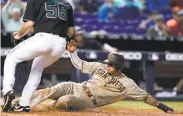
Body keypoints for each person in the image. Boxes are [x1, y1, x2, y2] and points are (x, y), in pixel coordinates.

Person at [24, 40, 173, 113]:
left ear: (118, 67)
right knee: (52, 90)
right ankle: (18, 103)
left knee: (64, 101)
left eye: (111, 65)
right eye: (108, 63)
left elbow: (146, 97)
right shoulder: (100, 66)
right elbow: (79, 64)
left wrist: (162, 107)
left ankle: (42, 108)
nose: (108, 66)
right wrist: (72, 52)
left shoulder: (128, 84)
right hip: (76, 87)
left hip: (86, 100)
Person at [2, 0, 75, 112]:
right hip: (60, 45)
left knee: (11, 58)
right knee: (37, 69)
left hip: (42, 38)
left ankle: (7, 91)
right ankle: (24, 103)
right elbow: (71, 31)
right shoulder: (66, 4)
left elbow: (29, 24)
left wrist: (18, 36)